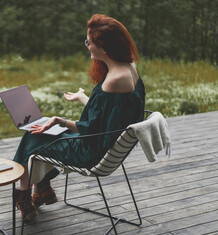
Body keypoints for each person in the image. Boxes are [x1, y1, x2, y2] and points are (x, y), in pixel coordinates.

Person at [13, 14, 145, 221]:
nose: (87, 46)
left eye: (89, 42)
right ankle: (42, 189)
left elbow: (93, 129)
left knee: (33, 135)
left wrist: (60, 120)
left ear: (103, 46)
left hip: (92, 152)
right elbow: (109, 116)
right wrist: (84, 98)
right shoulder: (128, 69)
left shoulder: (115, 79)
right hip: (105, 145)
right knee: (44, 133)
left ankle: (24, 197)